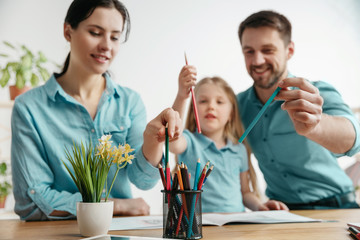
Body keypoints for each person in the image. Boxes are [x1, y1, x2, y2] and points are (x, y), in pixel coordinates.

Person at [11, 0, 182, 221]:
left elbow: (143, 181)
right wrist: (115, 205)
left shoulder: (129, 102)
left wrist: (152, 140)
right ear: (68, 31)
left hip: (119, 232)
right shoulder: (30, 108)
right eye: (95, 32)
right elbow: (32, 201)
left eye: (115, 37)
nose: (106, 46)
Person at [236, 10, 360, 209]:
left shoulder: (316, 93)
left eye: (268, 50)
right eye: (249, 51)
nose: (257, 61)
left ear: (289, 50)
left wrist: (316, 126)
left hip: (337, 208)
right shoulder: (236, 106)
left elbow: (354, 139)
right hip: (281, 212)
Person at [170, 66, 288, 212]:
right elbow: (173, 140)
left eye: (219, 102)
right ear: (194, 111)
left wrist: (260, 206)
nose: (211, 106)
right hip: (198, 228)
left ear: (231, 114)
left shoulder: (239, 150)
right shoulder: (188, 142)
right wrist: (182, 96)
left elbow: (245, 193)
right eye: (203, 101)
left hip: (236, 226)